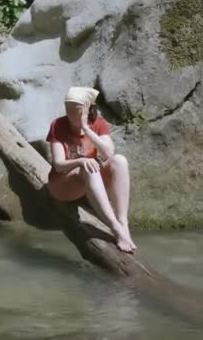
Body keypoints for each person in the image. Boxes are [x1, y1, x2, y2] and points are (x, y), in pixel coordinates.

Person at [46, 87, 137, 253]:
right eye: (68, 110)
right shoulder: (57, 125)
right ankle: (115, 228)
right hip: (62, 185)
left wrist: (86, 129)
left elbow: (108, 153)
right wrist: (80, 161)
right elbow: (59, 164)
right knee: (88, 167)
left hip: (87, 180)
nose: (71, 115)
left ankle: (123, 223)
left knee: (119, 161)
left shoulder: (98, 123)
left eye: (76, 111)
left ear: (88, 109)